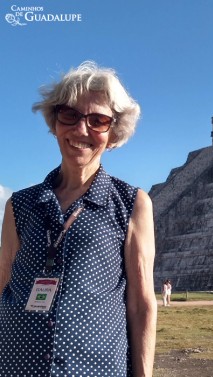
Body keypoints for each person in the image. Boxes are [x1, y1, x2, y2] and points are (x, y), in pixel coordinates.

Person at [0, 61, 157, 376]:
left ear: (113, 133)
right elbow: (3, 282)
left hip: (94, 366)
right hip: (17, 365)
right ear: (55, 121)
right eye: (69, 115)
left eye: (98, 120)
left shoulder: (131, 203)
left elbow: (141, 304)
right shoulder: (19, 204)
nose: (81, 130)